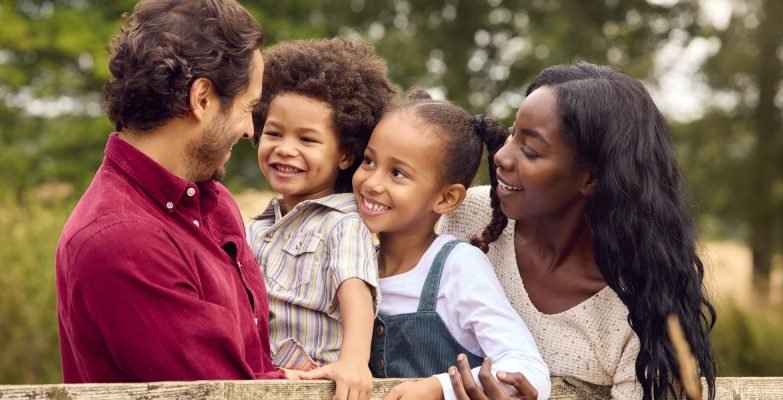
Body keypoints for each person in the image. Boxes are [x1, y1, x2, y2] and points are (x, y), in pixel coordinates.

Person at [440, 62, 717, 399]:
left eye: (530, 150)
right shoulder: (461, 216)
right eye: (513, 133)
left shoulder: (644, 302)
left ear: (591, 178)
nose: (502, 156)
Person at [55, 0, 283, 383]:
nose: (249, 130)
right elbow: (221, 392)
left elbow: (253, 367)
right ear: (202, 99)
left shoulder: (213, 201)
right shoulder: (122, 240)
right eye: (248, 107)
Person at [352, 90, 552, 400]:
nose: (372, 183)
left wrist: (439, 388)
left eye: (397, 173)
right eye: (368, 160)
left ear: (446, 198)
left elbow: (529, 370)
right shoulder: (356, 266)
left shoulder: (457, 266)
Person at [246, 38, 396, 399]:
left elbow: (356, 290)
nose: (285, 148)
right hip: (262, 383)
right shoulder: (257, 226)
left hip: (319, 386)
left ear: (344, 155)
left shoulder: (342, 222)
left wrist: (354, 362)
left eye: (307, 139)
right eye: (274, 132)